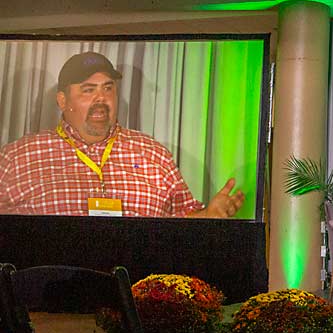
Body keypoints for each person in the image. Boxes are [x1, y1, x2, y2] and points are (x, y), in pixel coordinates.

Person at [0, 52, 244, 218]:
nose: (101, 99)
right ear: (63, 101)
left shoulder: (153, 155)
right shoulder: (16, 158)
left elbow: (183, 220)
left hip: (135, 291)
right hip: (46, 292)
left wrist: (209, 215)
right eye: (88, 90)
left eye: (108, 88)